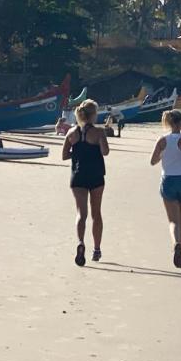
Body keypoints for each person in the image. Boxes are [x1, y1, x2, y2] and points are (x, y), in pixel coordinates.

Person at [61, 98, 109, 266]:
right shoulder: (99, 132)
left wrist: (78, 152)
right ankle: (96, 249)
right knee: (96, 213)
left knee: (81, 213)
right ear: (93, 115)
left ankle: (81, 242)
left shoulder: (71, 133)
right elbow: (105, 152)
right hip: (95, 175)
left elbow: (64, 155)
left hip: (78, 175)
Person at [151, 109, 181, 269]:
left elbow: (153, 161)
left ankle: (176, 243)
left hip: (168, 180)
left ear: (169, 123)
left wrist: (163, 154)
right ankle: (180, 252)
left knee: (173, 220)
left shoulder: (162, 140)